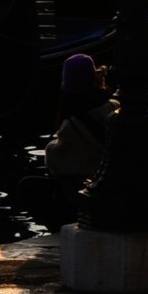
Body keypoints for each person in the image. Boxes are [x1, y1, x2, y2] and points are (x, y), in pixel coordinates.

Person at [44, 54, 112, 213]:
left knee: (29, 185)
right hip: (110, 179)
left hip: (93, 187)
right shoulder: (113, 107)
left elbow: (57, 161)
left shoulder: (70, 125)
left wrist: (50, 147)